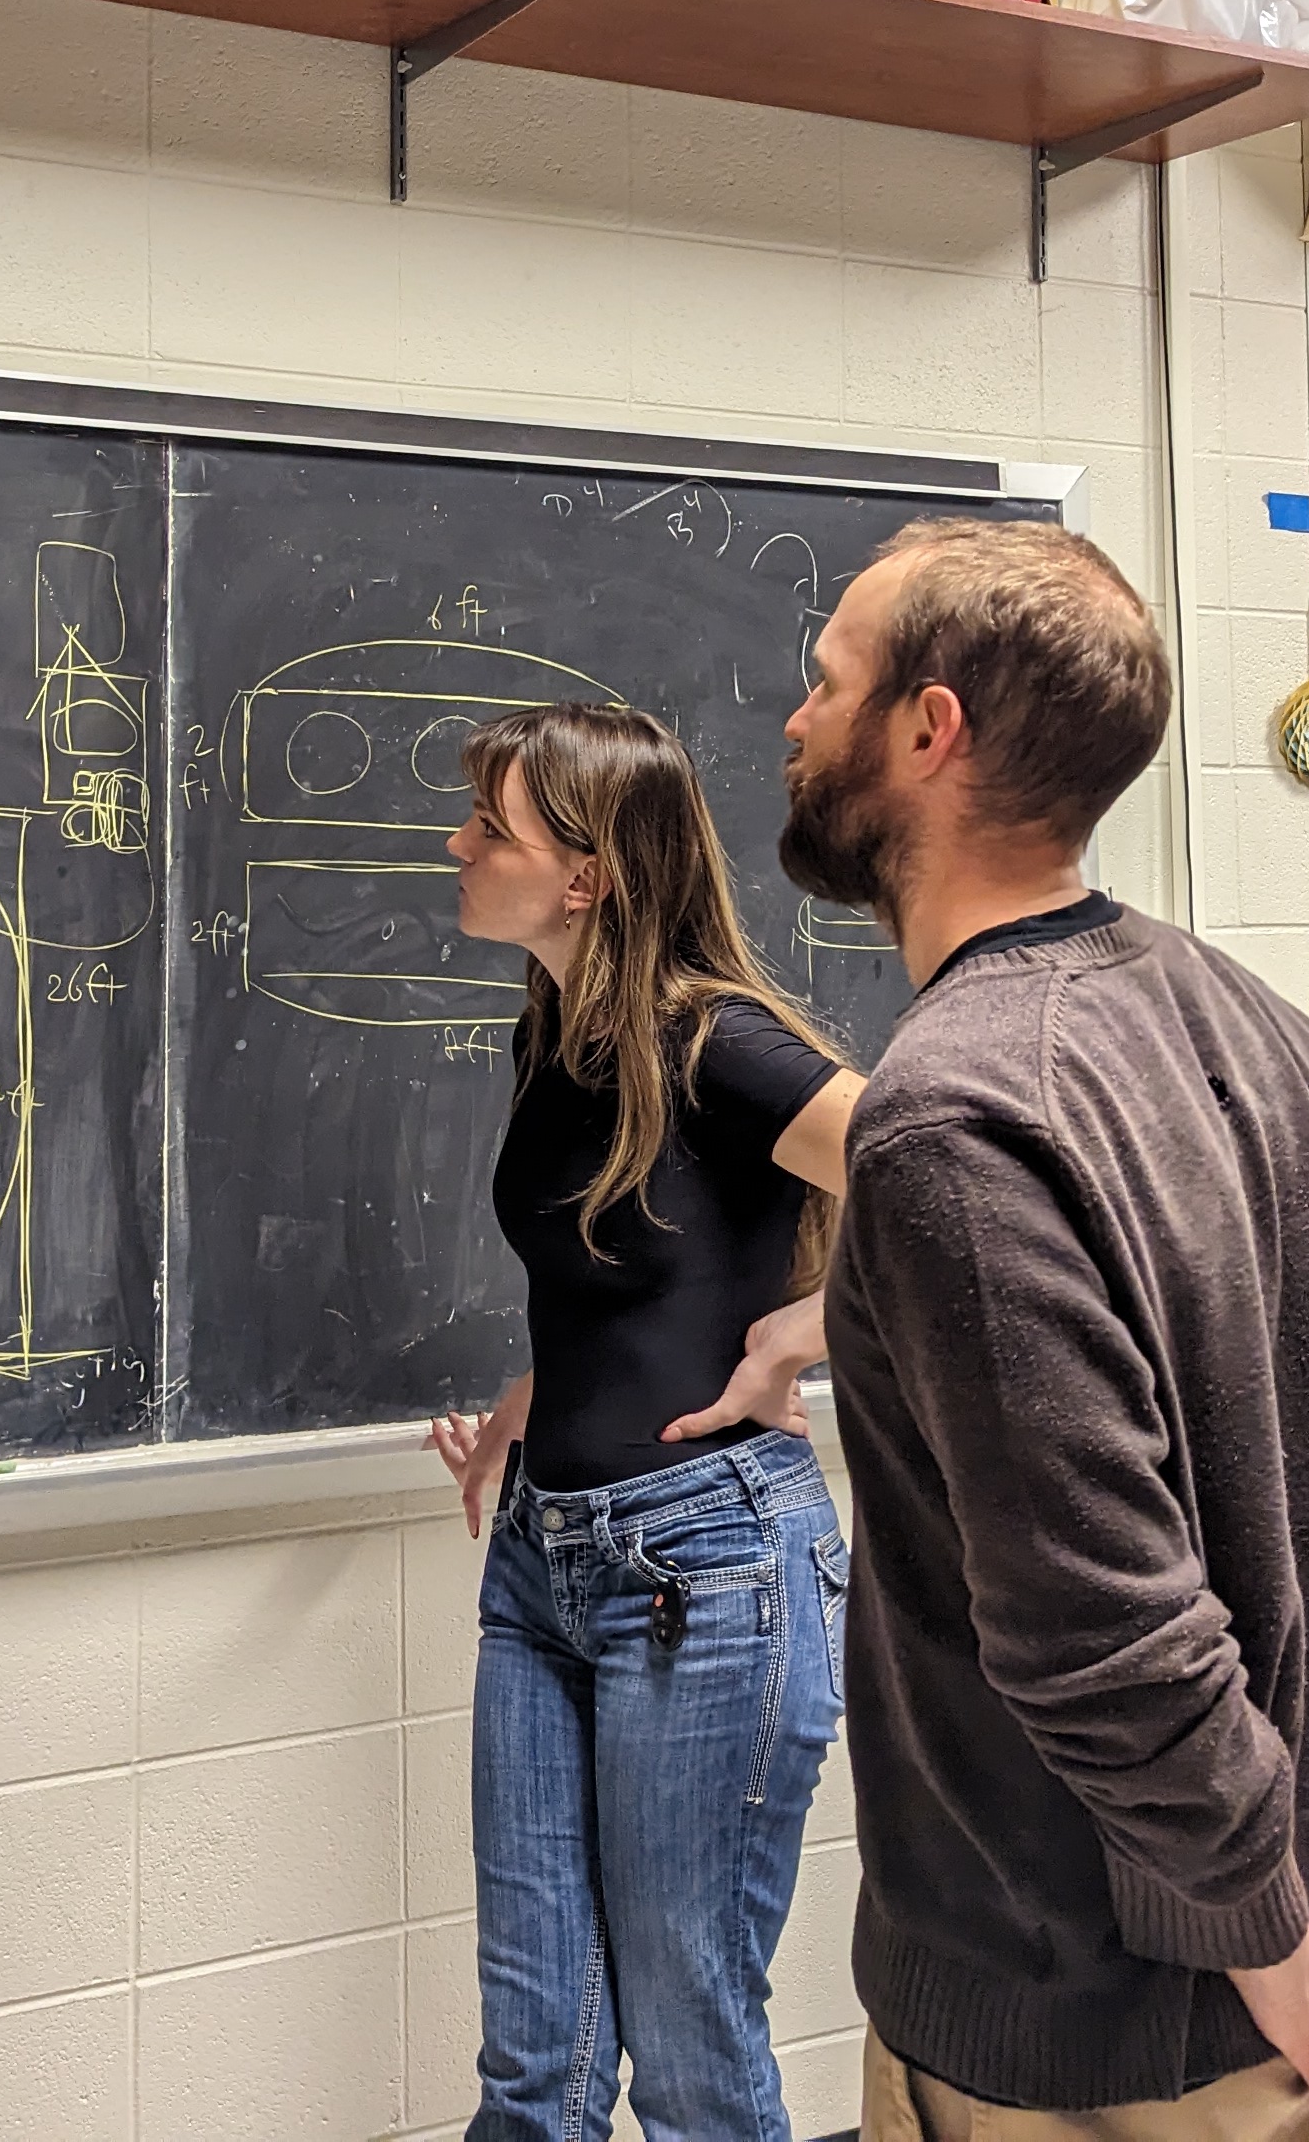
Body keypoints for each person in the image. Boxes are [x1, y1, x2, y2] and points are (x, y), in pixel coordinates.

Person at [777, 519, 1309, 2142]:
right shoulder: (1267, 1030)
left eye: (825, 680)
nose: (792, 718)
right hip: (1285, 1973)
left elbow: (1102, 1632)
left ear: (928, 727)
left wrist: (1299, 1968)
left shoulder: (948, 1122)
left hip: (1084, 2033)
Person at [426, 701, 867, 2142]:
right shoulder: (552, 1037)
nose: (461, 844)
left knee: (688, 2058)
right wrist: (539, 1392)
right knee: (533, 2065)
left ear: (588, 874)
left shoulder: (716, 1041)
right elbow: (633, 1260)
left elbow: (950, 1180)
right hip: (546, 1565)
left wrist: (812, 1333)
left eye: (493, 826)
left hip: (711, 1571)